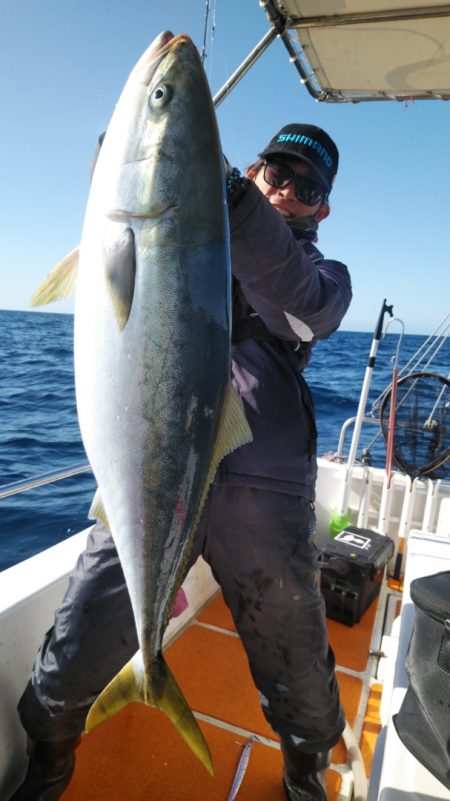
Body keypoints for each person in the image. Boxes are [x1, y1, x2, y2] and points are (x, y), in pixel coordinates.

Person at [8, 123, 352, 801]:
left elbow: (304, 303)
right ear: (253, 170)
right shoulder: (186, 236)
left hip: (265, 493)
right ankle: (48, 761)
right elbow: (124, 209)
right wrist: (143, 148)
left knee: (297, 656)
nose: (286, 192)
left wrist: (233, 201)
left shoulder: (320, 279)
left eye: (304, 188)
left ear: (322, 209)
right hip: (147, 479)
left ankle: (305, 771)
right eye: (274, 175)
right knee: (77, 638)